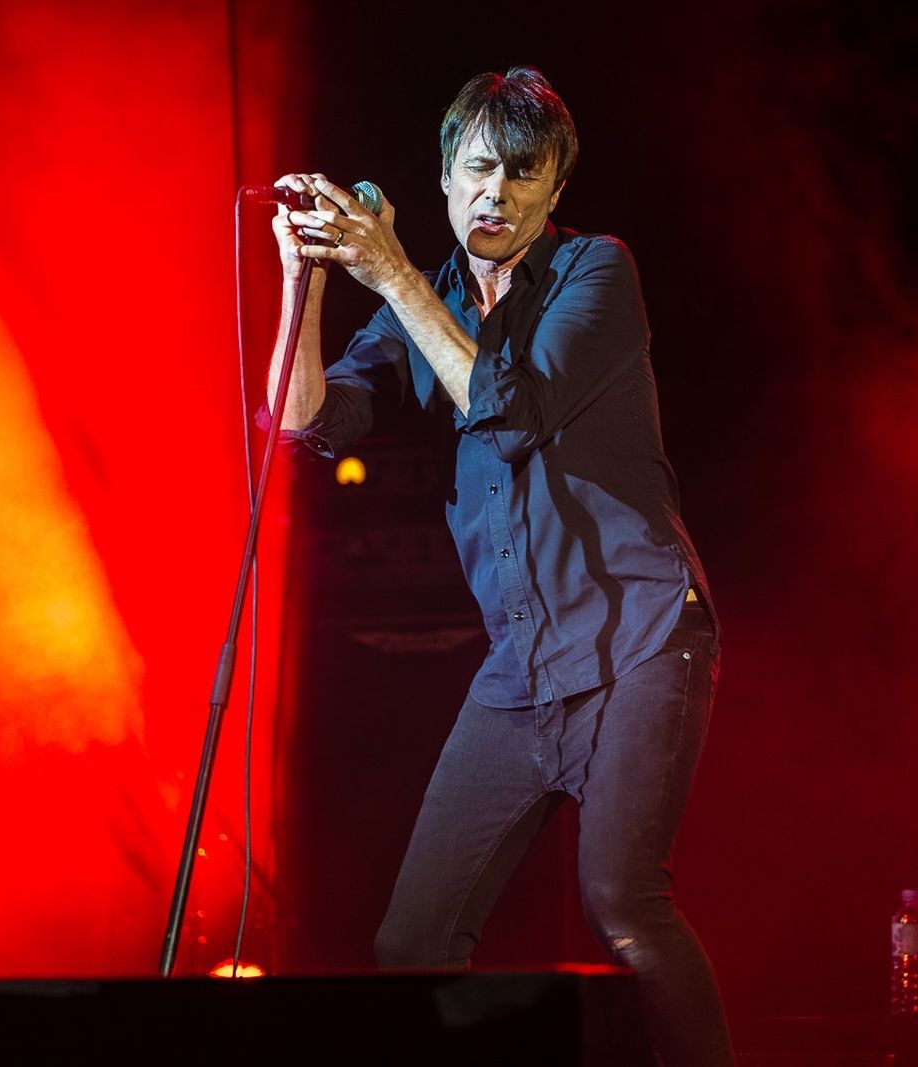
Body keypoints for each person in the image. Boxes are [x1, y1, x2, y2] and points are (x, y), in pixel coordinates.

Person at [266, 67, 732, 1065]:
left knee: (623, 900)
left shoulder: (596, 272)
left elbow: (510, 409)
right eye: (480, 166)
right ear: (444, 175)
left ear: (554, 188)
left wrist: (386, 269)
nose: (499, 190)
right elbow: (303, 419)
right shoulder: (426, 298)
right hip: (523, 670)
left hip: (642, 639)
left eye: (525, 172)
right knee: (410, 942)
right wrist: (303, 277)